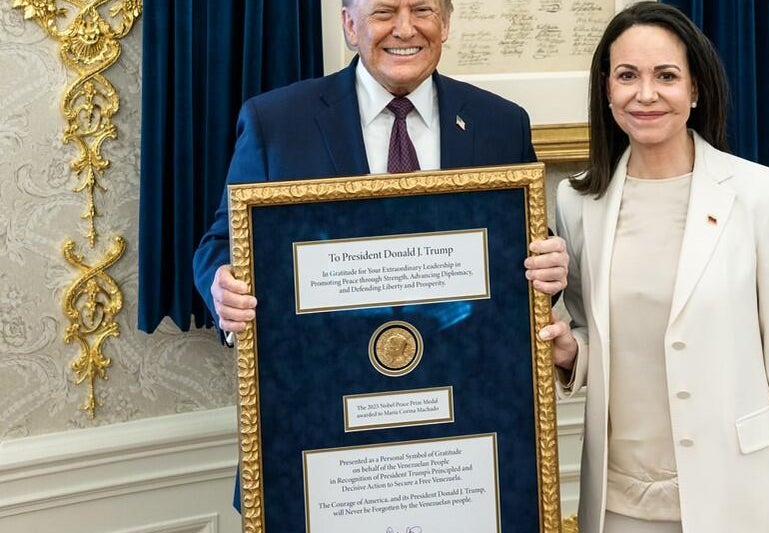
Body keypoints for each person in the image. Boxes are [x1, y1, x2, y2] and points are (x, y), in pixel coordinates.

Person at [537, 3, 769, 532]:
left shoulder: (760, 194)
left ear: (695, 90)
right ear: (607, 89)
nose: (645, 94)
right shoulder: (578, 202)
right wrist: (569, 352)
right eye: (627, 76)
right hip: (618, 505)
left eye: (666, 76)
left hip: (740, 497)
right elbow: (591, 331)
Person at [193, 0, 568, 334]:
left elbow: (524, 246)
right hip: (325, 378)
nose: (405, 29)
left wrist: (548, 269)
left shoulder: (500, 123)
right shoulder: (276, 123)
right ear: (351, 26)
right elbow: (224, 242)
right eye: (384, 13)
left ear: (446, 23)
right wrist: (223, 286)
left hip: (465, 374)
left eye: (422, 10)